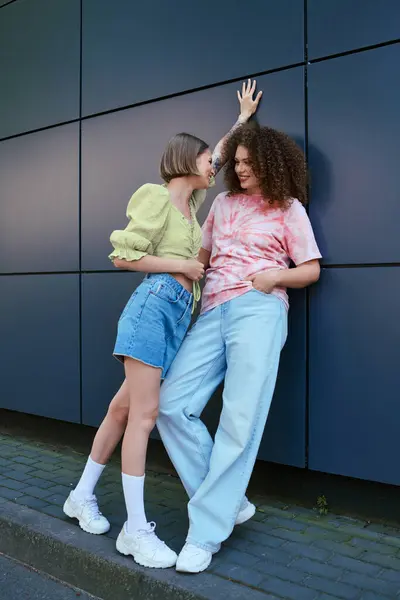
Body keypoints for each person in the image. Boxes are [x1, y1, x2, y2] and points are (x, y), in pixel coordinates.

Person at [62, 80, 262, 569]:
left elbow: (217, 154)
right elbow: (122, 255)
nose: (212, 168)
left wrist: (240, 120)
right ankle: (136, 529)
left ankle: (80, 496)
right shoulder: (155, 197)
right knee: (145, 418)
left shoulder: (189, 208)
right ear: (181, 161)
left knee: (120, 412)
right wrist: (182, 268)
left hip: (172, 317)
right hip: (153, 307)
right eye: (203, 161)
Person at [157, 122, 322, 573]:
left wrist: (274, 277)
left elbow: (310, 269)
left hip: (260, 308)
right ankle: (229, 503)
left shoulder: (288, 209)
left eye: (250, 163)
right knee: (171, 405)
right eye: (238, 162)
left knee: (239, 418)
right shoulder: (224, 204)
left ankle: (205, 532)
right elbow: (202, 259)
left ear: (270, 162)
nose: (241, 169)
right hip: (212, 309)